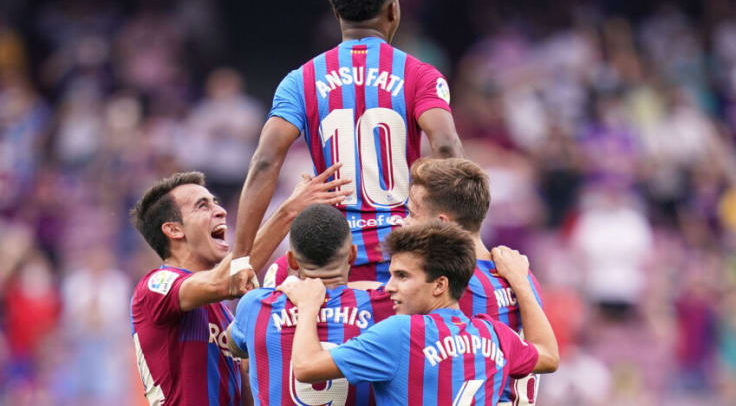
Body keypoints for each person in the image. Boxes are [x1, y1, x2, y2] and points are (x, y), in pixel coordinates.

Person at [235, 0, 463, 285]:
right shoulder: (420, 75)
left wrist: (240, 259)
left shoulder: (301, 80)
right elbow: (444, 145)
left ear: (336, 13)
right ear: (393, 9)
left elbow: (265, 161)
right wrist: (457, 236)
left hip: (330, 259)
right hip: (404, 258)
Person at [130, 168, 349, 406]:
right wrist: (289, 212)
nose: (221, 211)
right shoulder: (155, 287)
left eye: (216, 203)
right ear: (174, 229)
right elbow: (226, 280)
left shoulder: (224, 312)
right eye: (203, 206)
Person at [279, 221, 559, 406]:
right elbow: (548, 355)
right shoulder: (497, 335)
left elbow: (305, 368)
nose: (389, 287)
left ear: (440, 284)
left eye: (402, 276)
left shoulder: (401, 332)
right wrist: (521, 282)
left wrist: (307, 306)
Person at [405, 157, 545, 406]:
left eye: (413, 213)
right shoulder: (521, 274)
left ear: (441, 222)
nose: (404, 223)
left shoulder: (453, 282)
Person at [225, 204, 394, 406]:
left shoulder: (255, 306)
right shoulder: (383, 306)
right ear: (352, 254)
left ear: (292, 262)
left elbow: (233, 343)